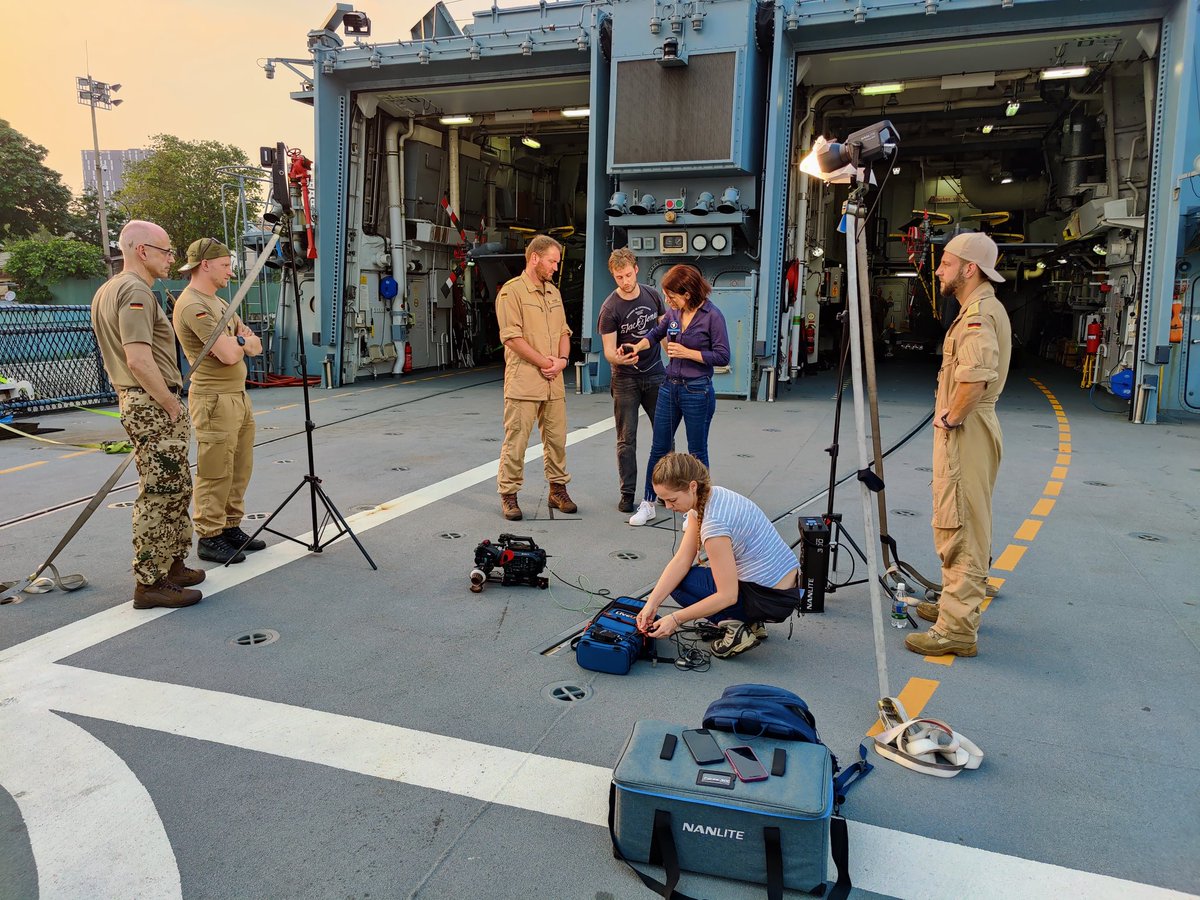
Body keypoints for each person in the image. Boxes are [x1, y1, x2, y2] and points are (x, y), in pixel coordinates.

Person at [907, 232, 1012, 658]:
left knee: (961, 524)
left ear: (970, 269)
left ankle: (957, 629)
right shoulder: (978, 308)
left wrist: (951, 418)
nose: (938, 270)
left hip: (965, 429)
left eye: (946, 264)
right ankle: (955, 603)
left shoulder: (978, 315)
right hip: (971, 427)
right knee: (962, 517)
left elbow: (974, 379)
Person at [91, 221, 203, 609]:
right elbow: (138, 358)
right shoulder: (135, 291)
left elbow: (115, 358)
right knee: (159, 493)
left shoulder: (108, 290)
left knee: (175, 487)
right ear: (142, 251)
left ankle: (171, 565)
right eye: (166, 251)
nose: (171, 258)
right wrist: (171, 404)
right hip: (153, 402)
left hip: (138, 398)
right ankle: (150, 582)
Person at [634, 453, 802, 658]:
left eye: (672, 499)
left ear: (692, 486)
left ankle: (737, 629)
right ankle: (751, 622)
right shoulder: (713, 496)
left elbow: (728, 595)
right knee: (681, 576)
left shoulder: (714, 526)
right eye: (664, 500)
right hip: (781, 590)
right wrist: (651, 603)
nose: (668, 507)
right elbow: (681, 560)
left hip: (769, 600)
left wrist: (675, 619)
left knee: (680, 585)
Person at [172, 238, 266, 564]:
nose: (230, 271)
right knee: (215, 470)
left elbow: (257, 346)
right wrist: (241, 340)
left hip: (237, 397)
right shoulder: (192, 305)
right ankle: (210, 535)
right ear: (205, 265)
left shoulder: (221, 303)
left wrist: (240, 340)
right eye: (225, 265)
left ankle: (230, 525)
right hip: (214, 399)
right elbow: (228, 354)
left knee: (240, 466)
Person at [622, 265, 729, 526]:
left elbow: (723, 355)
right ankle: (648, 503)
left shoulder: (712, 316)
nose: (668, 301)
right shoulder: (673, 313)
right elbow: (654, 334)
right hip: (670, 387)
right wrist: (636, 346)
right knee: (659, 447)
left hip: (697, 390)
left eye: (672, 296)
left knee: (696, 452)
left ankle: (698, 510)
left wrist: (688, 353)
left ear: (688, 292)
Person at [495, 234, 576, 521]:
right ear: (535, 258)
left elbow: (564, 331)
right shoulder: (511, 292)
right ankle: (509, 494)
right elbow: (512, 338)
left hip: (553, 382)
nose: (555, 267)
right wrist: (546, 363)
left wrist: (562, 362)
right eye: (552, 261)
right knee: (516, 441)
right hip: (525, 381)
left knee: (557, 440)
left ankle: (558, 490)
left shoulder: (553, 292)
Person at [598, 247, 666, 513]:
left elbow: (663, 329)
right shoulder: (610, 308)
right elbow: (607, 351)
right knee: (627, 439)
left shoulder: (652, 295)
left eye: (628, 275)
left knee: (664, 434)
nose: (625, 281)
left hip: (656, 374)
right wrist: (618, 359)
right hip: (625, 379)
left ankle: (664, 489)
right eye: (619, 277)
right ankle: (627, 494)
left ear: (636, 269)